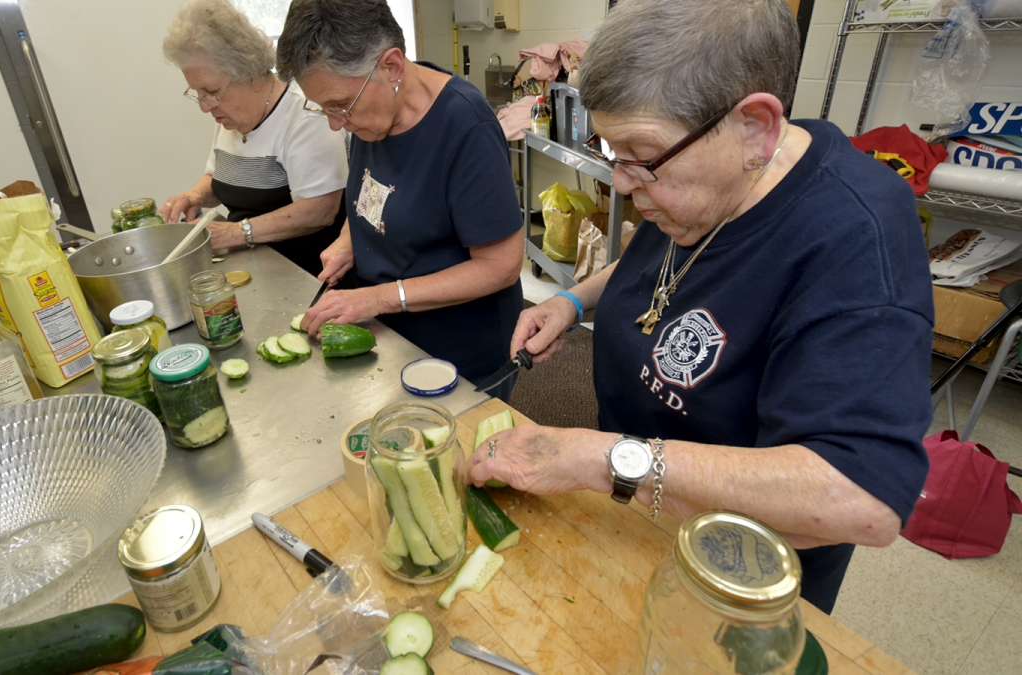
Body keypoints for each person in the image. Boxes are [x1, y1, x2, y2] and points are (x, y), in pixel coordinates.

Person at [469, 0, 933, 614]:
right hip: (638, 514)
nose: (625, 187)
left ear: (756, 126)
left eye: (641, 156)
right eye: (614, 155)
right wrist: (571, 299)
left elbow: (861, 497)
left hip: (735, 584)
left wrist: (597, 458)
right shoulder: (705, 180)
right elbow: (655, 265)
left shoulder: (858, 236)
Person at [276, 0, 525, 396]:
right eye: (322, 108)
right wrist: (348, 241)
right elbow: (373, 192)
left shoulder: (465, 127)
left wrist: (378, 298)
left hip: (458, 351)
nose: (335, 122)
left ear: (391, 67)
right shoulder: (371, 114)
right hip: (390, 333)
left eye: (340, 105)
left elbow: (502, 266)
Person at [160, 0, 348, 275]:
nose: (205, 105)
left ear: (248, 73)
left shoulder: (304, 114)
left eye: (211, 91)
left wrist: (237, 232)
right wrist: (194, 196)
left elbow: (319, 211)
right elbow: (220, 177)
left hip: (305, 272)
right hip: (252, 265)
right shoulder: (230, 115)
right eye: (196, 93)